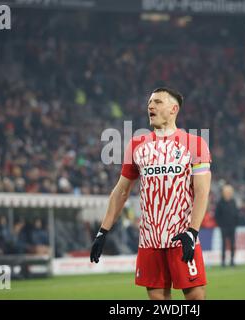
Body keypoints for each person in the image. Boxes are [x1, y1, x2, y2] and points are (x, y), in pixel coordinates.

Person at [90, 87, 212, 300]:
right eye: (149, 103)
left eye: (157, 102)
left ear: (174, 109)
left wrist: (193, 232)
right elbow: (121, 191)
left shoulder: (195, 144)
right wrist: (103, 230)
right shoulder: (136, 145)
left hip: (182, 236)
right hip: (149, 240)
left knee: (195, 298)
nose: (150, 106)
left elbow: (202, 192)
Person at [214, 184, 239, 267]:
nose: (228, 194)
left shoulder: (233, 202)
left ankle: (232, 261)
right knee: (224, 244)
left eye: (229, 192)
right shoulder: (220, 203)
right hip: (224, 227)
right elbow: (216, 215)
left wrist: (235, 223)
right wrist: (220, 224)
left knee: (232, 244)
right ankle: (223, 262)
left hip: (232, 226)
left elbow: (236, 213)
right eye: (227, 192)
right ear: (223, 193)